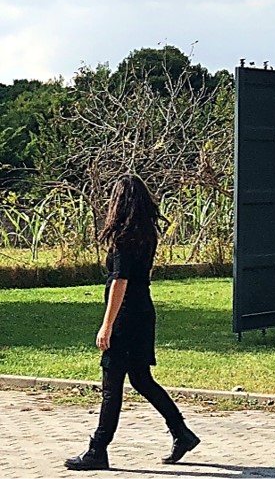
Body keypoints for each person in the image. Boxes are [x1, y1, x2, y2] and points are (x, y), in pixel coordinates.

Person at [65, 174, 200, 471]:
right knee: (140, 379)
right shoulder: (146, 233)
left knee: (112, 384)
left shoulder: (124, 238)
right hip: (143, 313)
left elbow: (119, 282)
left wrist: (106, 325)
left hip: (126, 317)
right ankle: (181, 432)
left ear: (119, 203)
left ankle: (97, 450)